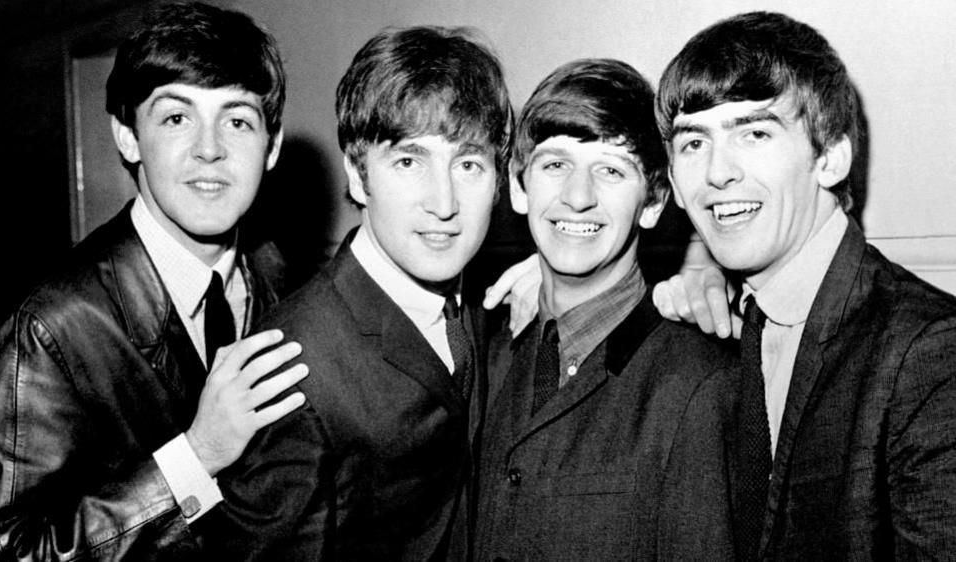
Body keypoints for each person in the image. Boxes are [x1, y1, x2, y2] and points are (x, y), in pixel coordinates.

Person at [0, 3, 310, 560]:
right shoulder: (51, 328)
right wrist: (193, 457)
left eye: (238, 119)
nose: (210, 147)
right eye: (176, 118)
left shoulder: (288, 280)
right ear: (127, 137)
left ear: (271, 147)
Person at [653, 11, 956, 559]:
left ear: (831, 157)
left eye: (755, 133)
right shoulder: (711, 327)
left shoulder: (931, 351)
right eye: (693, 143)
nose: (719, 171)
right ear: (673, 182)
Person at [206, 25, 512, 560]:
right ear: (356, 173)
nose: (443, 202)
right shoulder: (292, 361)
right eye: (409, 162)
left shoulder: (487, 301)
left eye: (468, 164)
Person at [472, 58, 738, 561]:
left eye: (611, 170)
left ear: (654, 202)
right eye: (555, 164)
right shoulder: (484, 352)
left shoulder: (699, 384)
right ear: (519, 187)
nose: (577, 197)